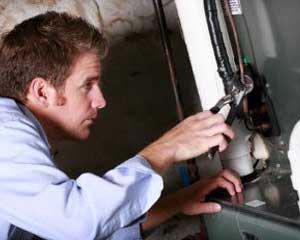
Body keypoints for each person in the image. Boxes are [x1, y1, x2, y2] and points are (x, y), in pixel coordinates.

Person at [0, 11, 242, 240]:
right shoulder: (5, 131)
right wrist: (169, 148)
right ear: (43, 91)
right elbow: (78, 223)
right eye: (87, 85)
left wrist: (177, 202)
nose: (101, 101)